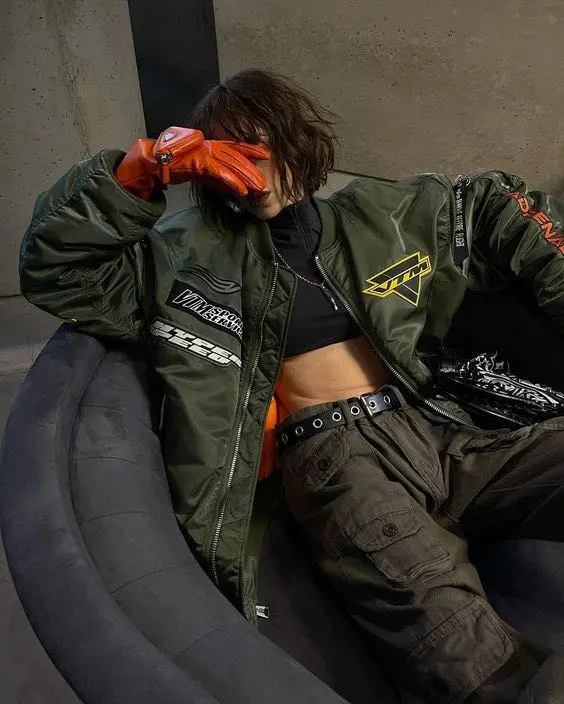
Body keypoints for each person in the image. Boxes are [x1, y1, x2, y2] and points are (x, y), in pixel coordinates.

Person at [19, 68, 564, 703]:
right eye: (228, 153)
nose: (249, 171)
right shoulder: (187, 253)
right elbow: (58, 272)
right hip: (338, 459)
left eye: (260, 147)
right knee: (465, 652)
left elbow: (495, 204)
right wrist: (136, 175)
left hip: (440, 427)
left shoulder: (378, 216)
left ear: (295, 141)